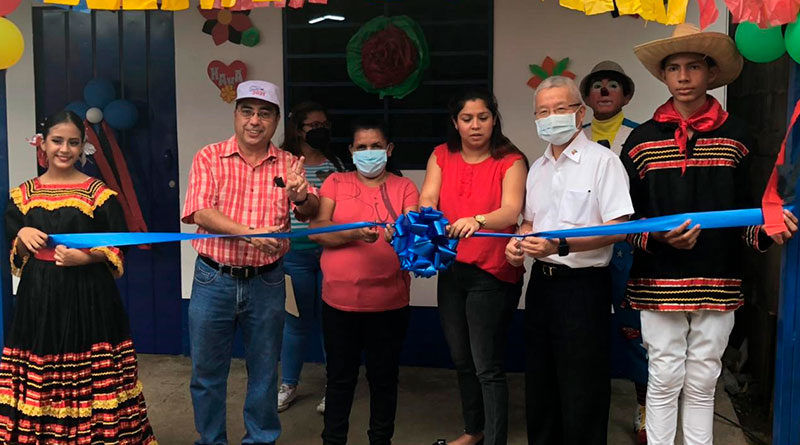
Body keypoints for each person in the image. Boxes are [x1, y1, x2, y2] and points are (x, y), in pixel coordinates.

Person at [623, 24, 797, 445]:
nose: (683, 77)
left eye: (694, 67)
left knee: (703, 379)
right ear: (663, 77)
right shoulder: (640, 140)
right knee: (663, 377)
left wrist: (770, 230)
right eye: (674, 68)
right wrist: (658, 238)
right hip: (658, 276)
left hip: (719, 275)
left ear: (711, 73)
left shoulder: (740, 136)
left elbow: (754, 206)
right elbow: (624, 218)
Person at [0, 110, 157, 444]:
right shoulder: (22, 196)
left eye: (73, 142)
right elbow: (14, 244)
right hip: (39, 300)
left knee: (91, 372)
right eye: (57, 140)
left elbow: (117, 245)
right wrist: (23, 235)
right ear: (42, 144)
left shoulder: (98, 194)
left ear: (83, 146)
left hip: (90, 298)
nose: (64, 149)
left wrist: (84, 257)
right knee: (41, 370)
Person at [182, 80, 319, 445]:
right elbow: (200, 212)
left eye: (264, 114)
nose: (254, 121)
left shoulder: (290, 163)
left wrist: (301, 195)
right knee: (207, 372)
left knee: (263, 372)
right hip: (214, 279)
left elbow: (311, 210)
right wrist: (248, 231)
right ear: (235, 115)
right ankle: (211, 440)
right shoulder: (209, 156)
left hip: (268, 281)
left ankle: (260, 439)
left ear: (275, 122)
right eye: (247, 111)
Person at [506, 76, 634, 445]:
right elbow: (531, 221)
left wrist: (561, 246)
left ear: (579, 113)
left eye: (560, 109)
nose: (551, 118)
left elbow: (618, 229)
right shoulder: (538, 167)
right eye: (542, 112)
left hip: (583, 288)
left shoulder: (603, 162)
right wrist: (520, 242)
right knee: (541, 382)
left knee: (582, 386)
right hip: (542, 286)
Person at [420, 90, 528, 445]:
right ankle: (474, 431)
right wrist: (424, 214)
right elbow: (428, 197)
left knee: (487, 365)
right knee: (461, 358)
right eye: (467, 119)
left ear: (494, 119)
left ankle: (495, 439)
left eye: (483, 117)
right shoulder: (442, 154)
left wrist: (478, 219)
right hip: (452, 270)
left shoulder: (510, 160)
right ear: (456, 123)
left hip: (493, 272)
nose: (475, 125)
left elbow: (511, 210)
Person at [309, 119, 419, 445]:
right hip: (339, 303)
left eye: (376, 147)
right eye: (361, 147)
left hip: (389, 303)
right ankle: (333, 440)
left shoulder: (405, 187)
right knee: (340, 379)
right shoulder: (335, 182)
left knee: (383, 379)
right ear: (351, 151)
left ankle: (380, 440)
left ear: (389, 150)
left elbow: (414, 239)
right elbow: (318, 230)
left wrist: (400, 234)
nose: (369, 153)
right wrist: (354, 233)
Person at [580, 61, 649, 444]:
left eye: (612, 86)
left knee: (633, 332)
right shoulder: (575, 136)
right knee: (586, 331)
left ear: (625, 94)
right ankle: (586, 409)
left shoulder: (641, 137)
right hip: (583, 249)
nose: (604, 91)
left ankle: (644, 410)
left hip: (626, 250)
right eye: (597, 86)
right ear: (587, 97)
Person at [278, 101, 345, 414]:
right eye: (313, 126)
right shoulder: (284, 164)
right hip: (294, 257)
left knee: (333, 324)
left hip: (331, 254)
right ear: (298, 130)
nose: (320, 131)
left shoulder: (336, 164)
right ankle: (288, 384)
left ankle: (335, 386)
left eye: (324, 126)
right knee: (296, 324)